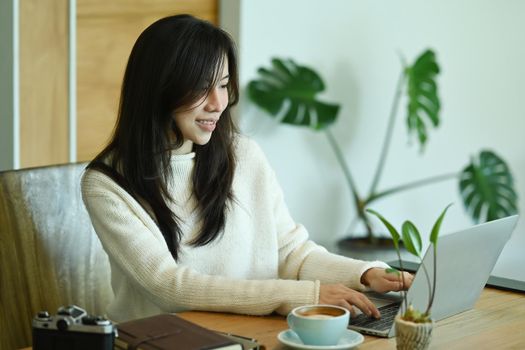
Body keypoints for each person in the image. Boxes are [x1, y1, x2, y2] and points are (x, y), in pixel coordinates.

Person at [81, 14, 413, 323]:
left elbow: (291, 252)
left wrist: (365, 273)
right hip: (163, 340)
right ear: (160, 88)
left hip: (250, 334)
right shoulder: (107, 184)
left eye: (223, 85)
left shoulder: (242, 155)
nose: (218, 103)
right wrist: (303, 295)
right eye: (201, 87)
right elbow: (169, 287)